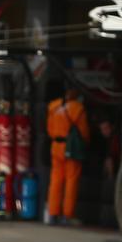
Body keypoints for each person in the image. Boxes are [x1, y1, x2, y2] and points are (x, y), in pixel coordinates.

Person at [46, 87, 89, 224]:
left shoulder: (53, 106)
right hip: (70, 147)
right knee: (71, 180)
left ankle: (53, 213)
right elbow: (83, 131)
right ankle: (67, 215)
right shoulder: (77, 109)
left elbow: (49, 128)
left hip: (55, 146)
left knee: (56, 180)